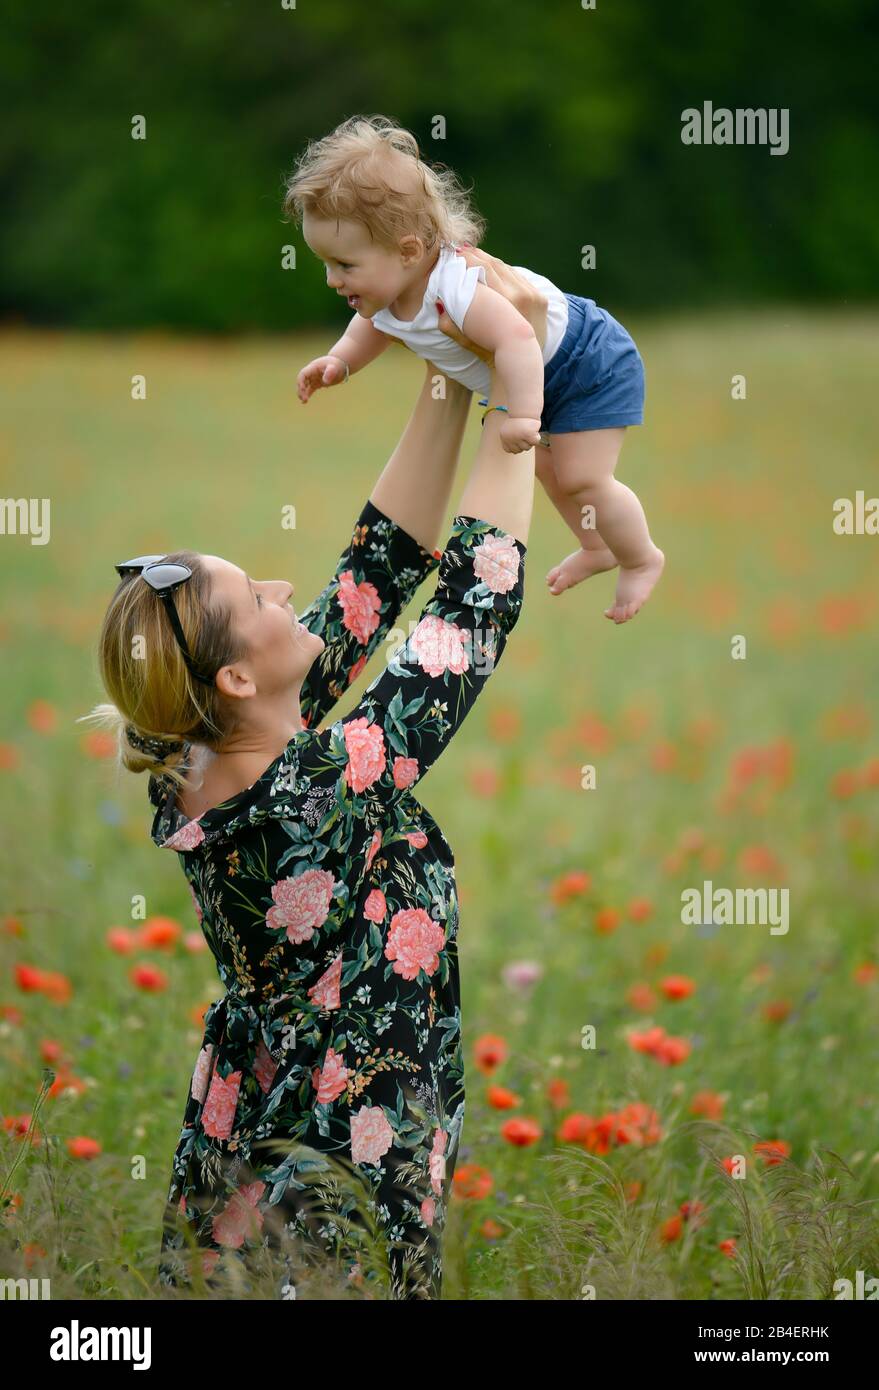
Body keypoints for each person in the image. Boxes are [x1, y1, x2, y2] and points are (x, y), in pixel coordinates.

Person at [82, 255, 547, 1300]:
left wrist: (447, 359)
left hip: (256, 1105)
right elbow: (467, 614)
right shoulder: (312, 791)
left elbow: (376, 570)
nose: (289, 586)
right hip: (341, 1121)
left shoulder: (211, 754)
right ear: (240, 673)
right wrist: (517, 411)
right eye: (260, 594)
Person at [287, 113, 664, 625]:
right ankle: (597, 544)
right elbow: (370, 328)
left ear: (409, 250)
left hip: (583, 358)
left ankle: (641, 557)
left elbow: (516, 336)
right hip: (541, 370)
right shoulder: (389, 295)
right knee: (554, 474)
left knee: (581, 477)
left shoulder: (456, 286)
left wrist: (520, 413)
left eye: (345, 266)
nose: (333, 280)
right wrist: (339, 361)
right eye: (326, 265)